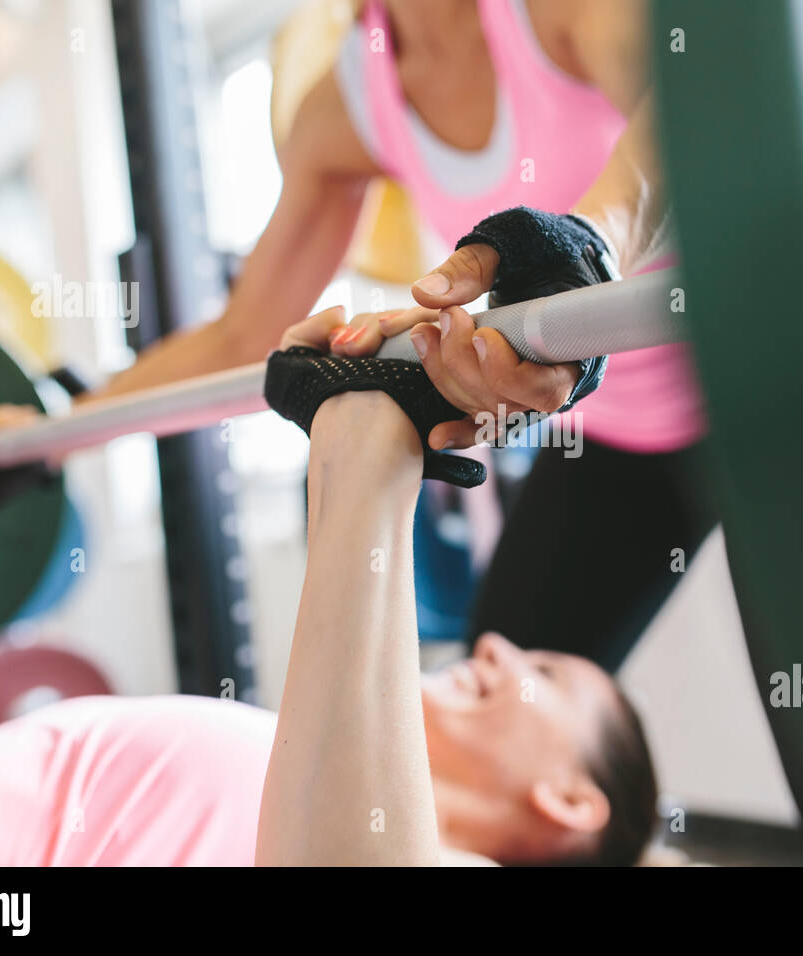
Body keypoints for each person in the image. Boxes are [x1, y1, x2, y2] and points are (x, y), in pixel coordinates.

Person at [0, 312, 658, 866]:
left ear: (570, 800)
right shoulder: (285, 772)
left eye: (548, 676)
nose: (494, 645)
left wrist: (373, 448)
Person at [89, 0, 716, 671]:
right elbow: (242, 337)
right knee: (492, 714)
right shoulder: (352, 101)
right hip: (629, 438)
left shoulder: (554, 12)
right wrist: (54, 422)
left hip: (775, 378)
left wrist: (588, 249)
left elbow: (690, 106)